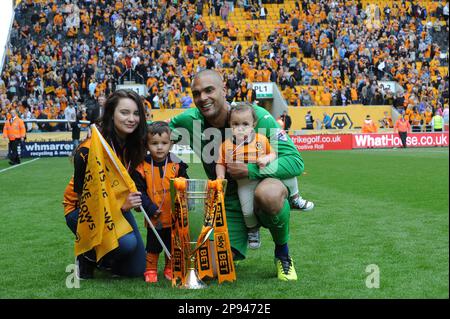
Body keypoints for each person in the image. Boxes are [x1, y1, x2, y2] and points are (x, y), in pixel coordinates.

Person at [169, 70, 314, 281]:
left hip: (260, 189)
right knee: (208, 270)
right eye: (197, 93)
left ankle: (282, 253)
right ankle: (235, 245)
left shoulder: (255, 117)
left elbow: (295, 161)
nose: (203, 98)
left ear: (224, 90)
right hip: (228, 203)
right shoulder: (190, 119)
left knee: (269, 194)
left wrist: (251, 170)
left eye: (209, 90)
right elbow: (158, 132)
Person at [69, 89, 147, 279]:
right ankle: (87, 254)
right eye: (124, 112)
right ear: (111, 115)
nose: (132, 119)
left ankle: (103, 259)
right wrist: (122, 207)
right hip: (81, 211)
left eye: (136, 113)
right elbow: (87, 203)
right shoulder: (88, 150)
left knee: (136, 270)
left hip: (119, 206)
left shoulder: (133, 145)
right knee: (127, 243)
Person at [216, 102, 277, 250]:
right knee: (247, 211)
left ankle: (295, 197)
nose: (240, 128)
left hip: (263, 179)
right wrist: (220, 177)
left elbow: (274, 153)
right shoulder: (226, 145)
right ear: (230, 125)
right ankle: (253, 229)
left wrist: (267, 158)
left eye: (245, 124)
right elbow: (220, 163)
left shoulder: (261, 139)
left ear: (253, 124)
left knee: (281, 187)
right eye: (235, 124)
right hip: (244, 183)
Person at [134, 121, 189, 283]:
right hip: (154, 216)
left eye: (164, 143)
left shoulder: (177, 164)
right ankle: (150, 270)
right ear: (147, 145)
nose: (159, 147)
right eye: (154, 143)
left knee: (172, 243)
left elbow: (186, 185)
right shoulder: (142, 166)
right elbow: (139, 192)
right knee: (153, 245)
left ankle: (170, 267)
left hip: (173, 215)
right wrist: (150, 208)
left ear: (171, 144)